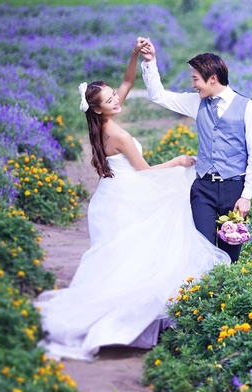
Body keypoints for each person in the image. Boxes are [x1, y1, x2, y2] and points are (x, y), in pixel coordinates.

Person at [36, 38, 230, 361]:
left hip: (111, 197)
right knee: (144, 251)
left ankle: (114, 311)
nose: (117, 98)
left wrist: (134, 56)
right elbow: (146, 172)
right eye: (110, 99)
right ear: (98, 108)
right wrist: (179, 161)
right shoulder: (119, 135)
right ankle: (120, 323)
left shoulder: (99, 123)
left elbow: (127, 81)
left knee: (121, 258)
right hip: (127, 194)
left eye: (113, 95)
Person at [139, 38, 252, 263]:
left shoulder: (248, 107)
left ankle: (225, 297)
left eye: (196, 79)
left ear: (213, 78)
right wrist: (150, 62)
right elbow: (159, 96)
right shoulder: (196, 102)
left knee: (230, 256)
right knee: (202, 252)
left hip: (234, 189)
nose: (193, 85)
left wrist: (246, 196)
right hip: (203, 188)